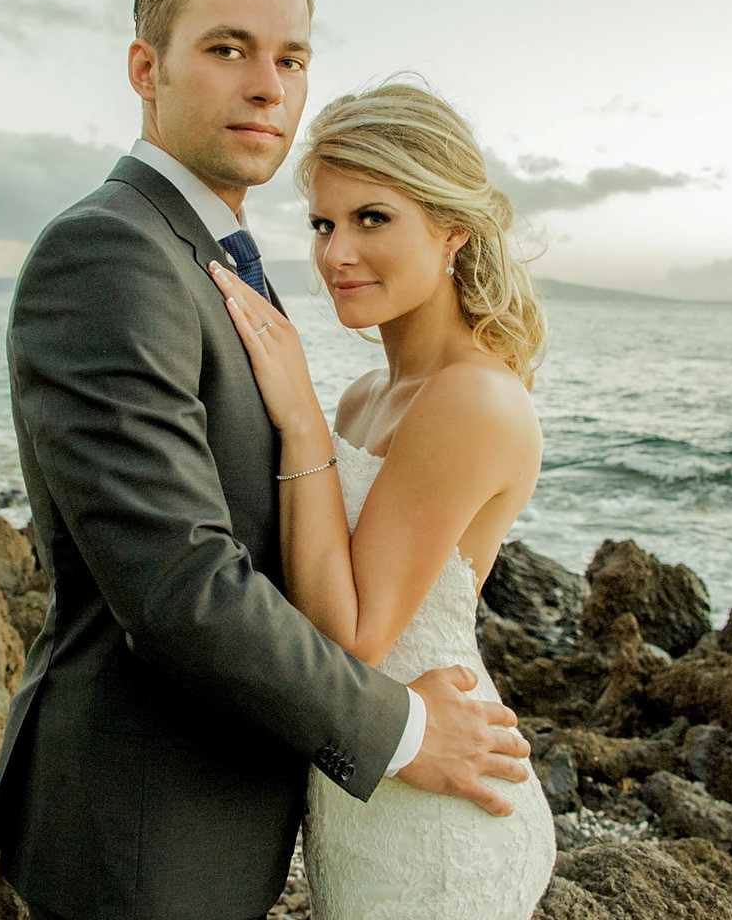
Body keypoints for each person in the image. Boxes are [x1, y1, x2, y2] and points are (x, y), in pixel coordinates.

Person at [0, 0, 533, 920]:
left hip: (259, 813)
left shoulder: (209, 255)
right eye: (227, 49)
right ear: (147, 68)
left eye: (290, 58)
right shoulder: (110, 252)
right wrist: (403, 728)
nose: (267, 86)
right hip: (148, 828)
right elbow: (181, 583)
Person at [209, 81, 556, 918]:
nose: (336, 254)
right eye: (324, 224)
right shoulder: (369, 394)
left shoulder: (473, 397)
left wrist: (296, 419)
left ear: (452, 232)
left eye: (373, 218)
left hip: (438, 827)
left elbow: (353, 638)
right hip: (371, 784)